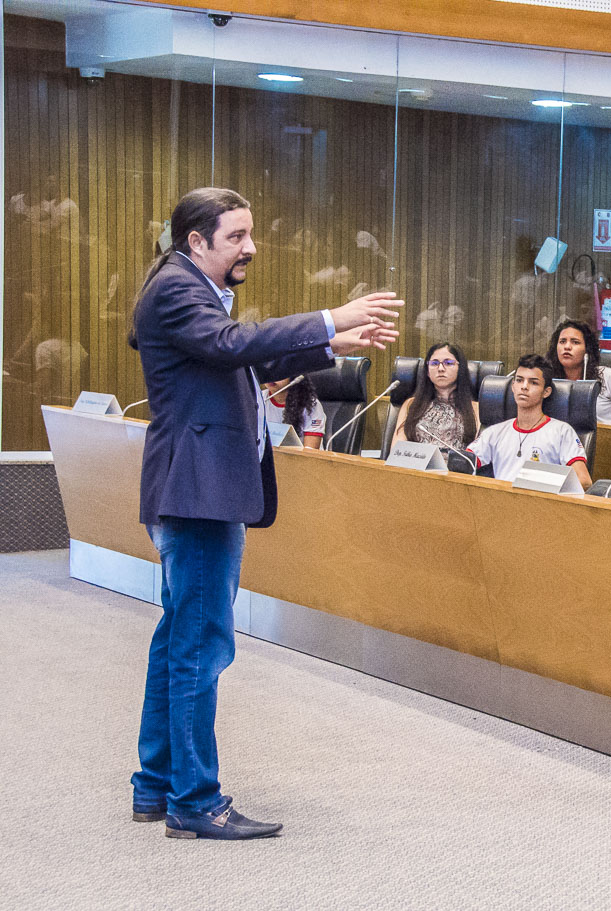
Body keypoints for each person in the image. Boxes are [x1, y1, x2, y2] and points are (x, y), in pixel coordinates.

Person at [128, 187, 402, 839]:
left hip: (195, 484)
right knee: (200, 642)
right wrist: (330, 318)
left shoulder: (189, 285)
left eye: (251, 233)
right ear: (196, 241)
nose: (251, 246)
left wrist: (334, 344)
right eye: (237, 236)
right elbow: (229, 345)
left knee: (179, 636)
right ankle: (194, 800)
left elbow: (239, 357)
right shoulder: (176, 288)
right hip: (197, 490)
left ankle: (155, 784)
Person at [466, 354, 592, 488]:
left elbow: (584, 481)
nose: (524, 387)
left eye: (533, 382)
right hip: (501, 503)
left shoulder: (562, 431)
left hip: (542, 503)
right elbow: (463, 463)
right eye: (519, 380)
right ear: (513, 386)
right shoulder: (494, 432)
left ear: (546, 392)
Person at [548, 318, 611, 427]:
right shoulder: (547, 379)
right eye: (562, 341)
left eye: (575, 342)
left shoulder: (606, 376)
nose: (567, 347)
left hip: (606, 441)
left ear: (587, 350)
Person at [391, 341, 478, 452]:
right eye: (434, 363)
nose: (441, 368)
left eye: (448, 363)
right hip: (415, 467)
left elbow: (477, 456)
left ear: (460, 369)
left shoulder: (475, 409)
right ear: (427, 371)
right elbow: (396, 450)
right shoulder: (411, 405)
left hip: (455, 469)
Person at [262, 373, 325, 449]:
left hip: (300, 458)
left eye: (279, 371)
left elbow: (310, 451)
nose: (271, 377)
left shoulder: (309, 403)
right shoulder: (259, 399)